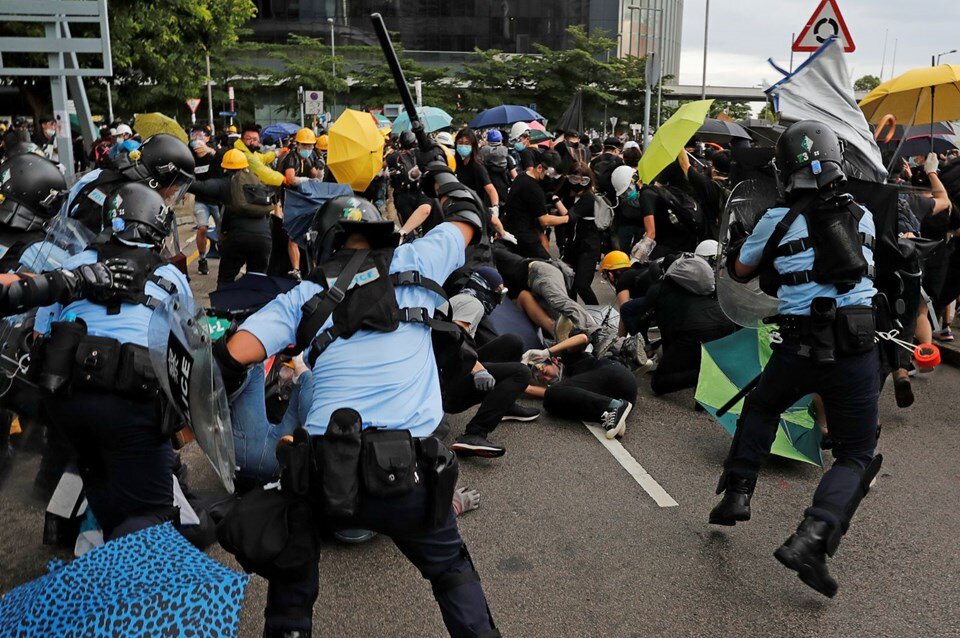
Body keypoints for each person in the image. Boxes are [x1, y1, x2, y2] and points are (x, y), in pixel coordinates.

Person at [215, 182, 498, 636]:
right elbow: (468, 218)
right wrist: (442, 180)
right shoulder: (421, 259)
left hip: (325, 472)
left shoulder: (302, 295)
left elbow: (235, 354)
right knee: (451, 572)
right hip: (408, 471)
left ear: (322, 243)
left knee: (292, 584)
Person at [709, 120, 882, 599]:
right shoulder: (864, 215)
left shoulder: (776, 218)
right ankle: (813, 536)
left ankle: (738, 493)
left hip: (798, 343)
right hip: (855, 347)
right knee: (855, 453)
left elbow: (741, 271)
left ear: (786, 172)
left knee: (764, 406)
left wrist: (752, 240)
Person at [33, 183, 192, 541]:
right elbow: (185, 347)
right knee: (151, 512)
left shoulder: (72, 265)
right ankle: (131, 579)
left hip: (67, 399)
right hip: (133, 401)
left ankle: (95, 536)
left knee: (101, 479)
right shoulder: (170, 277)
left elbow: (40, 333)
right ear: (157, 228)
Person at [445, 268, 540, 458]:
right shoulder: (473, 305)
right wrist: (479, 370)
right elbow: (451, 342)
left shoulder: (461, 299)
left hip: (444, 372)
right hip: (444, 388)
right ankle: (474, 433)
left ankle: (504, 405)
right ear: (486, 289)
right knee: (521, 373)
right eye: (499, 293)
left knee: (513, 342)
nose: (498, 300)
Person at [60, 133, 196, 235]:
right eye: (177, 182)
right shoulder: (116, 197)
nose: (177, 188)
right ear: (159, 177)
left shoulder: (99, 175)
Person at [188, 149, 277, 285]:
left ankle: (223, 306)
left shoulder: (226, 183)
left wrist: (177, 178)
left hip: (237, 239)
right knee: (257, 281)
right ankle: (254, 306)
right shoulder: (257, 183)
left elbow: (201, 187)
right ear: (246, 166)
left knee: (226, 280)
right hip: (263, 239)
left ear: (224, 168)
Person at [523, 333, 636, 439]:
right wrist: (518, 382)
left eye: (542, 369)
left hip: (615, 375)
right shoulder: (568, 389)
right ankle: (612, 414)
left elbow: (582, 338)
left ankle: (614, 406)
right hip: (626, 396)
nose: (544, 377)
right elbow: (546, 393)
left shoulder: (570, 361)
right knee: (552, 404)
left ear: (554, 361)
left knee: (551, 396)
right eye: (539, 378)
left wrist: (547, 352)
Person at [501, 150, 568, 259]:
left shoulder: (522, 176)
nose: (552, 179)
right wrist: (567, 218)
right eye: (550, 175)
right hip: (524, 235)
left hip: (511, 228)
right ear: (540, 168)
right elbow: (544, 220)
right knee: (547, 265)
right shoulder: (534, 188)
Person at [276, 128, 323, 280]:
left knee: (309, 234)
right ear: (298, 145)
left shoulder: (308, 159)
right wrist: (307, 180)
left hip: (304, 200)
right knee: (293, 234)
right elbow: (290, 178)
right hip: (291, 201)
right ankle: (296, 269)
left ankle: (313, 267)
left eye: (310, 146)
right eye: (305, 145)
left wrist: (320, 167)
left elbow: (315, 175)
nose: (308, 149)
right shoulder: (292, 158)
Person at [562, 163, 602, 305]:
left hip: (589, 246)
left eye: (582, 179)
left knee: (582, 285)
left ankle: (596, 317)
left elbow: (570, 217)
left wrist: (555, 201)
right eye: (574, 179)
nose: (578, 183)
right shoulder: (571, 195)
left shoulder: (588, 197)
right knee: (570, 284)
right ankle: (573, 317)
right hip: (573, 245)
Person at [189, 125, 225, 276]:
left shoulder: (215, 155)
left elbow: (226, 157)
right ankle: (202, 259)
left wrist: (212, 151)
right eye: (194, 135)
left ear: (208, 139)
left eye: (201, 135)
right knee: (202, 227)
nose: (198, 139)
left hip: (217, 200)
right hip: (201, 199)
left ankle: (225, 255)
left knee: (222, 231)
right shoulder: (190, 157)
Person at [611, 165, 654, 254]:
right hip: (628, 223)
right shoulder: (625, 202)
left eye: (628, 190)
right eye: (624, 194)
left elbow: (651, 232)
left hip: (644, 225)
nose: (627, 195)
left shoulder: (648, 191)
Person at [478, 129, 514, 203]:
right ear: (500, 141)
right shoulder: (506, 156)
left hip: (487, 191)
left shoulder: (481, 155)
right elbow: (515, 175)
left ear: (487, 141)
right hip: (503, 190)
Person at [589, 137, 624, 204]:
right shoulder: (620, 162)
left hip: (597, 197)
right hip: (614, 197)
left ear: (604, 148)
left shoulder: (594, 161)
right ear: (616, 149)